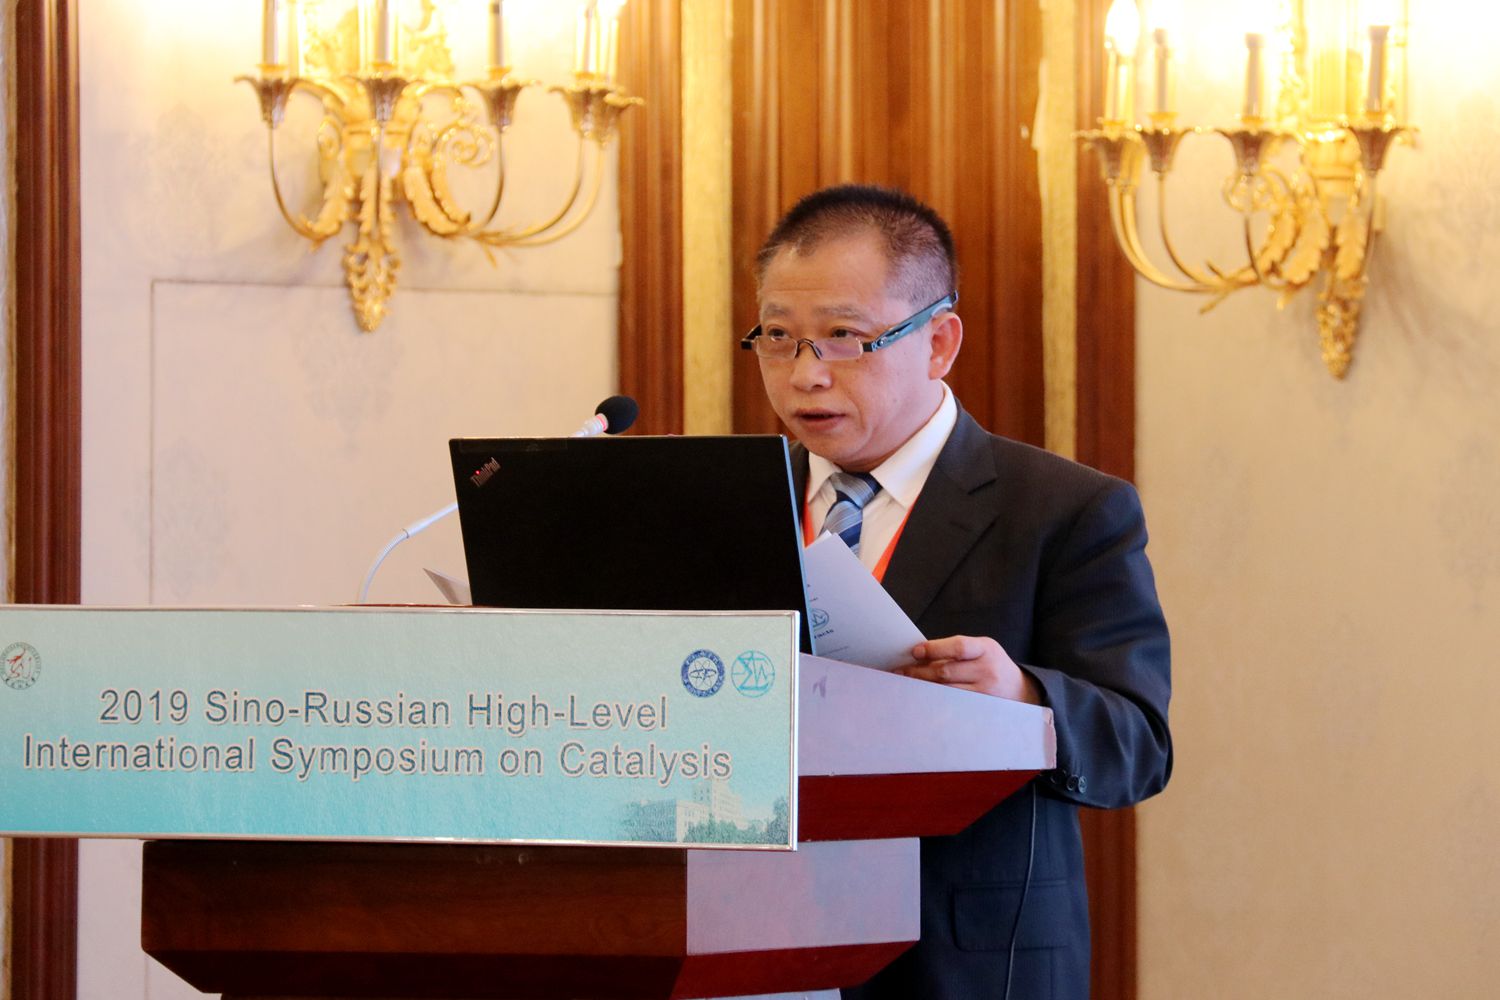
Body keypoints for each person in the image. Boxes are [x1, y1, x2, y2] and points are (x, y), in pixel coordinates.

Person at [745, 184, 1172, 1000]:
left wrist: (1022, 698)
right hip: (756, 941)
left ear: (939, 342)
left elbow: (1138, 744)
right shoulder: (736, 504)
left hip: (966, 957)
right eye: (777, 337)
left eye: (844, 338)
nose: (806, 375)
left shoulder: (1064, 509)